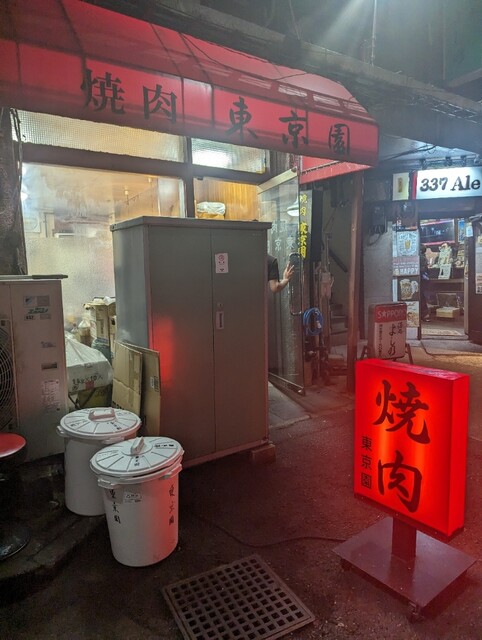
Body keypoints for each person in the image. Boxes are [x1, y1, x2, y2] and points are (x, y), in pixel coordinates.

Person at [420, 244, 430, 321]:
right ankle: (425, 314)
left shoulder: (420, 257)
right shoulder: (424, 257)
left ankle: (424, 314)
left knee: (421, 297)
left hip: (420, 279)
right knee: (422, 297)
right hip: (424, 280)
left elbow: (422, 269)